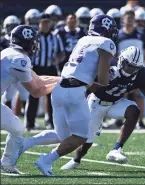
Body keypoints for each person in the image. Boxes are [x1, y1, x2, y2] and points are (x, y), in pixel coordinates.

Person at [25, 14, 117, 176]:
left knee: (63, 135)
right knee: (81, 136)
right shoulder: (106, 43)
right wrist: (113, 76)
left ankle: (25, 143)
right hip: (75, 92)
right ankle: (46, 159)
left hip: (59, 88)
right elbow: (103, 79)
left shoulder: (83, 39)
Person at [61, 46, 145, 169]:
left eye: (134, 68)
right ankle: (76, 160)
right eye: (128, 65)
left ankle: (116, 149)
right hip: (96, 103)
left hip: (115, 103)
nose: (130, 70)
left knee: (134, 111)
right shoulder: (108, 65)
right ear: (121, 60)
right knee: (87, 141)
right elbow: (88, 82)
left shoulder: (140, 74)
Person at [0, 25, 61, 174]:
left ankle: (6, 163)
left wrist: (62, 79)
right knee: (17, 128)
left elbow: (38, 79)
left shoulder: (9, 53)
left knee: (17, 128)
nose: (35, 45)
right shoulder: (20, 59)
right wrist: (64, 84)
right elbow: (37, 91)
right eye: (33, 42)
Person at [24, 13, 65, 130]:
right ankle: (29, 123)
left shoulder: (55, 37)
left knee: (52, 97)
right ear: (39, 23)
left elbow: (61, 53)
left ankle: (51, 122)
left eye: (48, 22)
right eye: (44, 22)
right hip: (36, 68)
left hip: (50, 68)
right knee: (33, 96)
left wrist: (56, 59)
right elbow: (26, 51)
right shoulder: (34, 36)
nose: (46, 25)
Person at [117, 10, 145, 128]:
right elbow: (116, 54)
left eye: (132, 18)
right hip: (122, 70)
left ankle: (140, 121)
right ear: (123, 20)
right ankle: (121, 120)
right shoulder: (118, 35)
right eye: (128, 18)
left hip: (138, 69)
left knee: (138, 95)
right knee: (121, 94)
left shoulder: (141, 35)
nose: (130, 20)